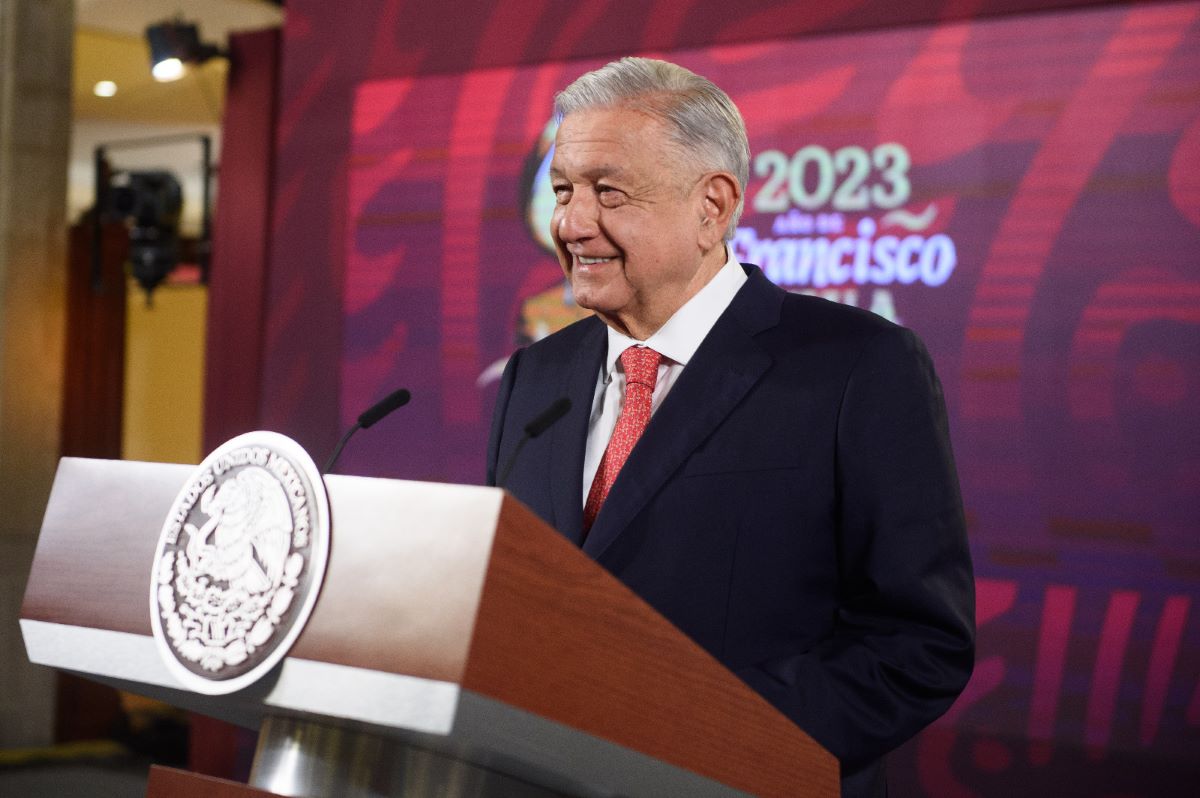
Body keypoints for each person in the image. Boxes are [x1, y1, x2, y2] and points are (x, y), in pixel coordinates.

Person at [486, 57, 974, 798]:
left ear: (712, 207)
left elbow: (917, 642)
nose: (571, 223)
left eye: (607, 192)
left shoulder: (857, 366)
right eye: (563, 191)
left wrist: (698, 735)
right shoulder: (536, 377)